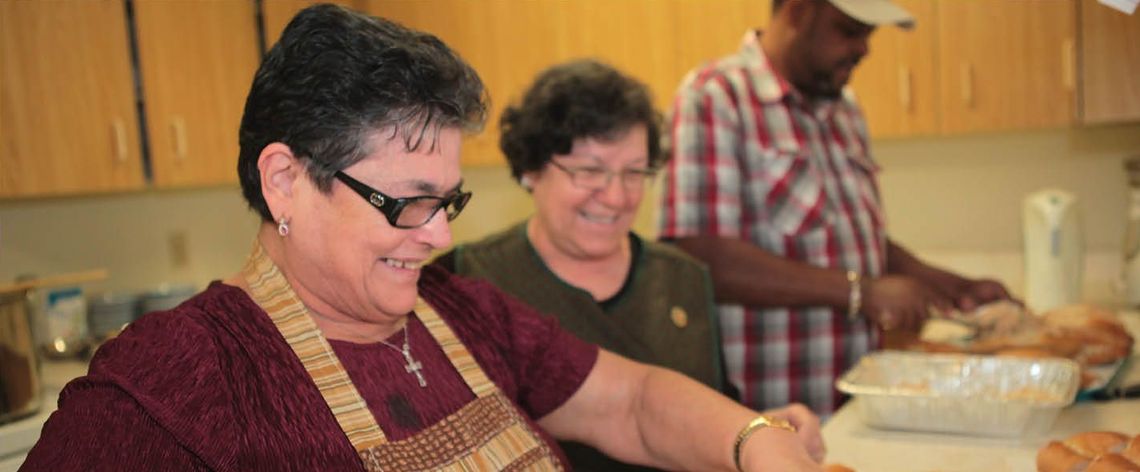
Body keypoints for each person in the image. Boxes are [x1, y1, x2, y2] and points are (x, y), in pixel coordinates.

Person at [23, 5, 825, 471]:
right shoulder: (173, 379)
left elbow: (636, 404)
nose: (439, 236)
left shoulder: (466, 315)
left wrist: (755, 441)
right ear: (284, 181)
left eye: (449, 201)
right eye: (407, 203)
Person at [657, 0, 1013, 415]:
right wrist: (861, 291)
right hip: (766, 415)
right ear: (796, 11)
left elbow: (848, 237)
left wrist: (950, 287)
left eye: (869, 35)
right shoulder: (715, 97)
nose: (864, 49)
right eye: (849, 30)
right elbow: (699, 255)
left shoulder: (845, 108)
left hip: (852, 407)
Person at [434, 59, 732, 472]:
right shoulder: (465, 281)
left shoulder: (683, 278)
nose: (615, 197)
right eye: (590, 171)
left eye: (634, 173)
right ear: (531, 170)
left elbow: (718, 407)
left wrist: (763, 429)